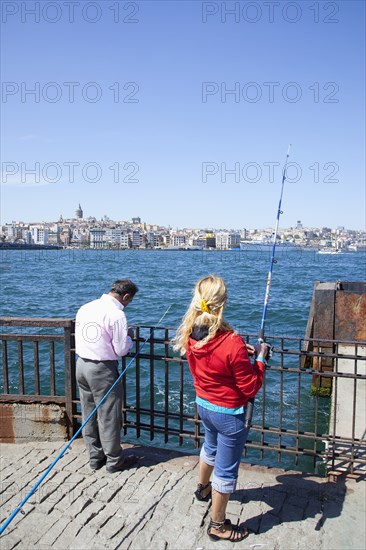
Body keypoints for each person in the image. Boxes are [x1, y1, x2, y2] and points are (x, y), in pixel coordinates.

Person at [174, 275, 269, 542]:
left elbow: (216, 355)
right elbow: (249, 387)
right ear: (223, 303)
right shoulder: (231, 342)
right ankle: (218, 525)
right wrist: (259, 357)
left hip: (204, 405)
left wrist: (242, 351)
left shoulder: (190, 333)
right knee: (226, 470)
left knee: (209, 448)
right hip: (229, 415)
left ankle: (202, 488)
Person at [75, 279, 138, 473]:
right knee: (109, 415)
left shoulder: (85, 307)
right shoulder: (116, 314)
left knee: (88, 413)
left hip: (81, 365)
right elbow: (121, 350)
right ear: (126, 296)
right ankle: (114, 460)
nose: (127, 304)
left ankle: (95, 457)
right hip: (102, 369)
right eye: (129, 300)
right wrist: (130, 338)